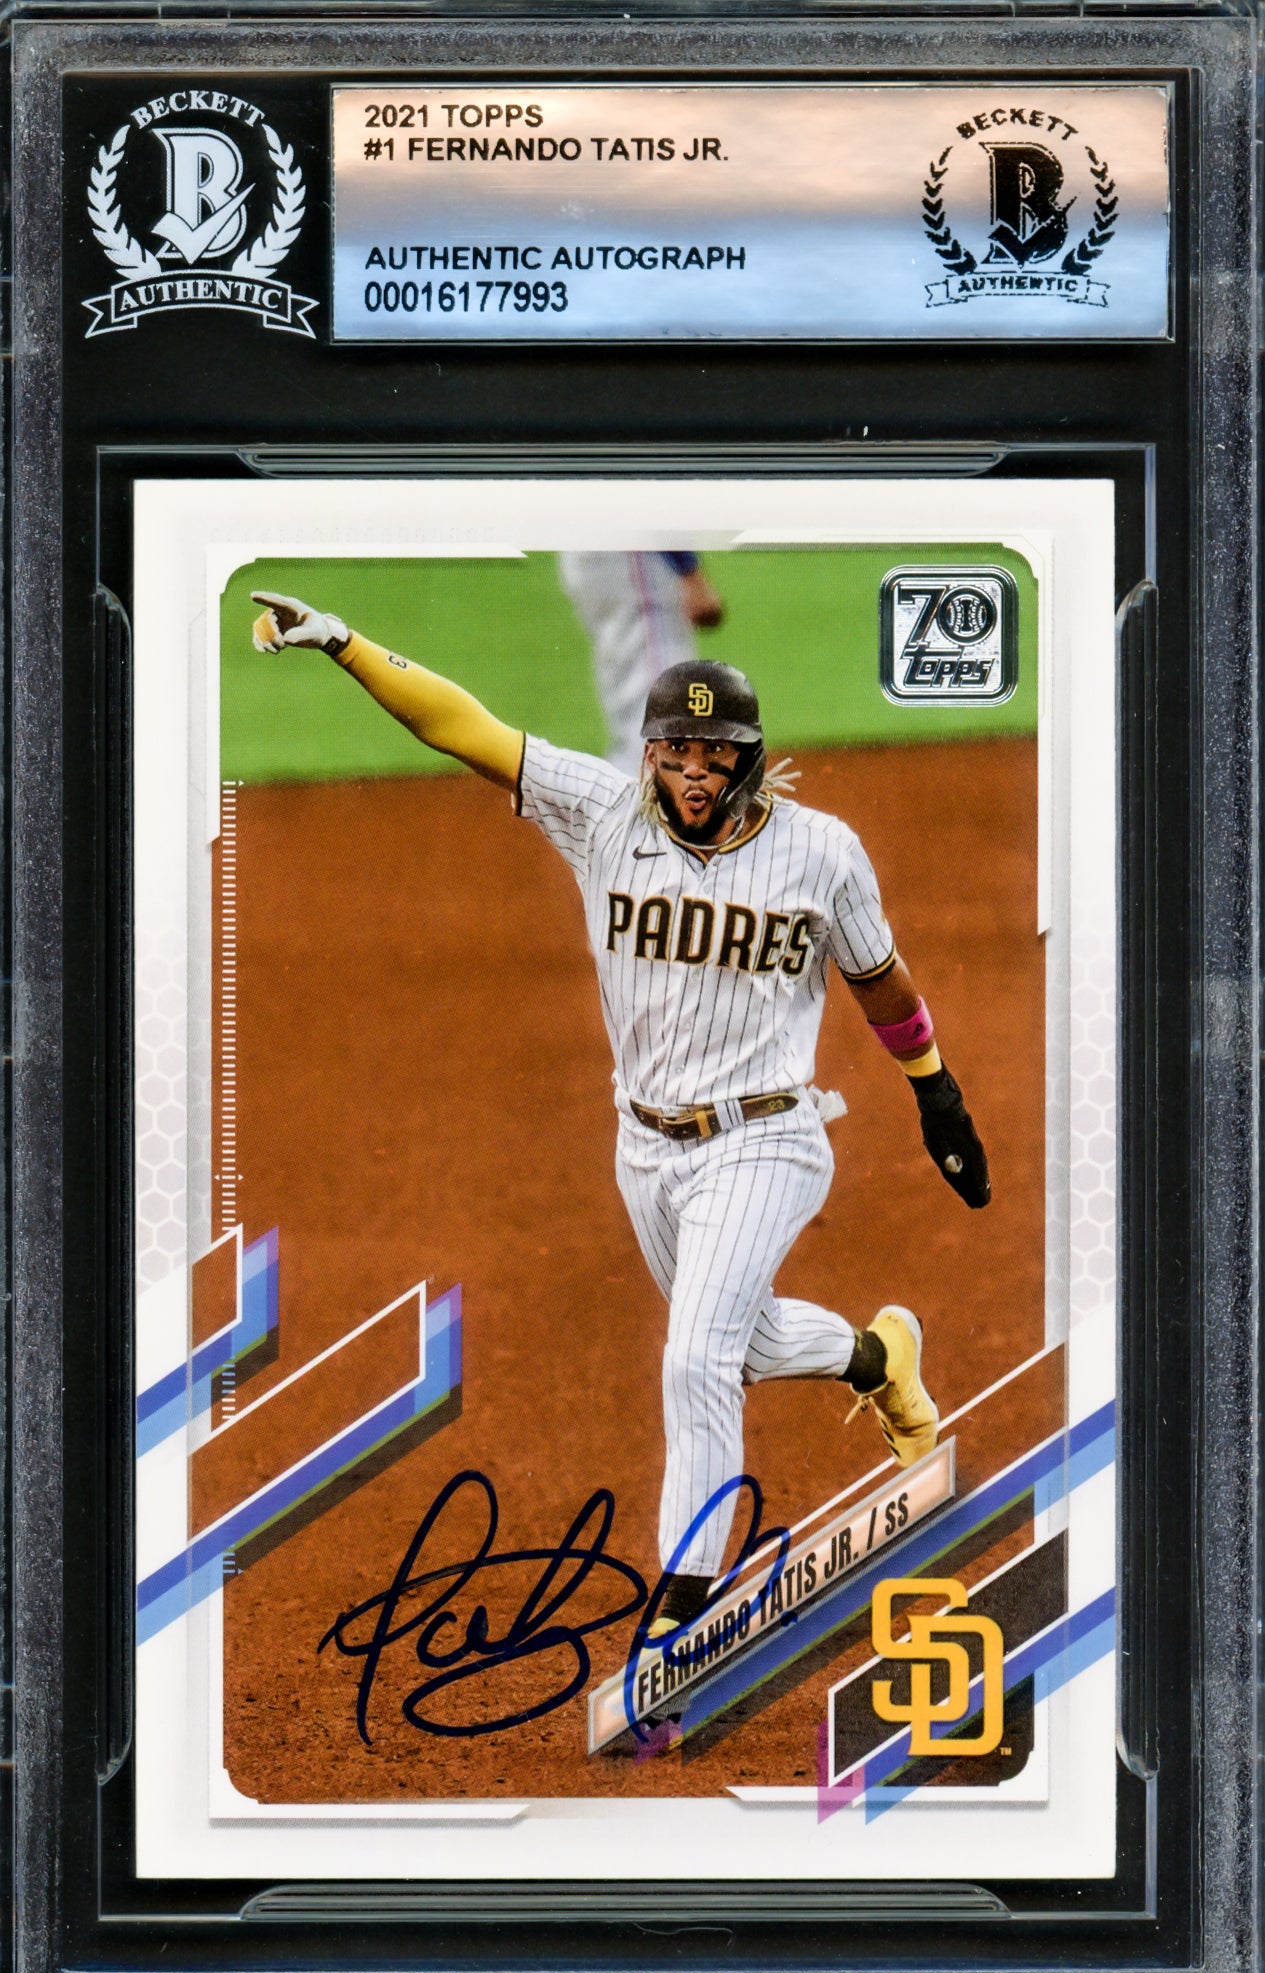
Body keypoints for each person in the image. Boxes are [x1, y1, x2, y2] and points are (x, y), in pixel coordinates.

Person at [250, 590, 991, 1638]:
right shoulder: (604, 814)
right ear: (650, 755)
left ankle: (682, 1614)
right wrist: (342, 641)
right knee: (736, 1343)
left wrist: (935, 1091)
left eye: (713, 756)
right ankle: (877, 1361)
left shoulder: (821, 853)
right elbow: (463, 728)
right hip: (643, 1149)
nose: (691, 773)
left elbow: (879, 981)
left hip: (769, 1136)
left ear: (748, 760)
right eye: (673, 752)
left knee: (694, 1361)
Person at [559, 550, 725, 775]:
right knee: (659, 710)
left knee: (631, 676)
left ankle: (631, 782)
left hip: (594, 552)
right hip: (633, 552)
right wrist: (688, 569)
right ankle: (644, 788)